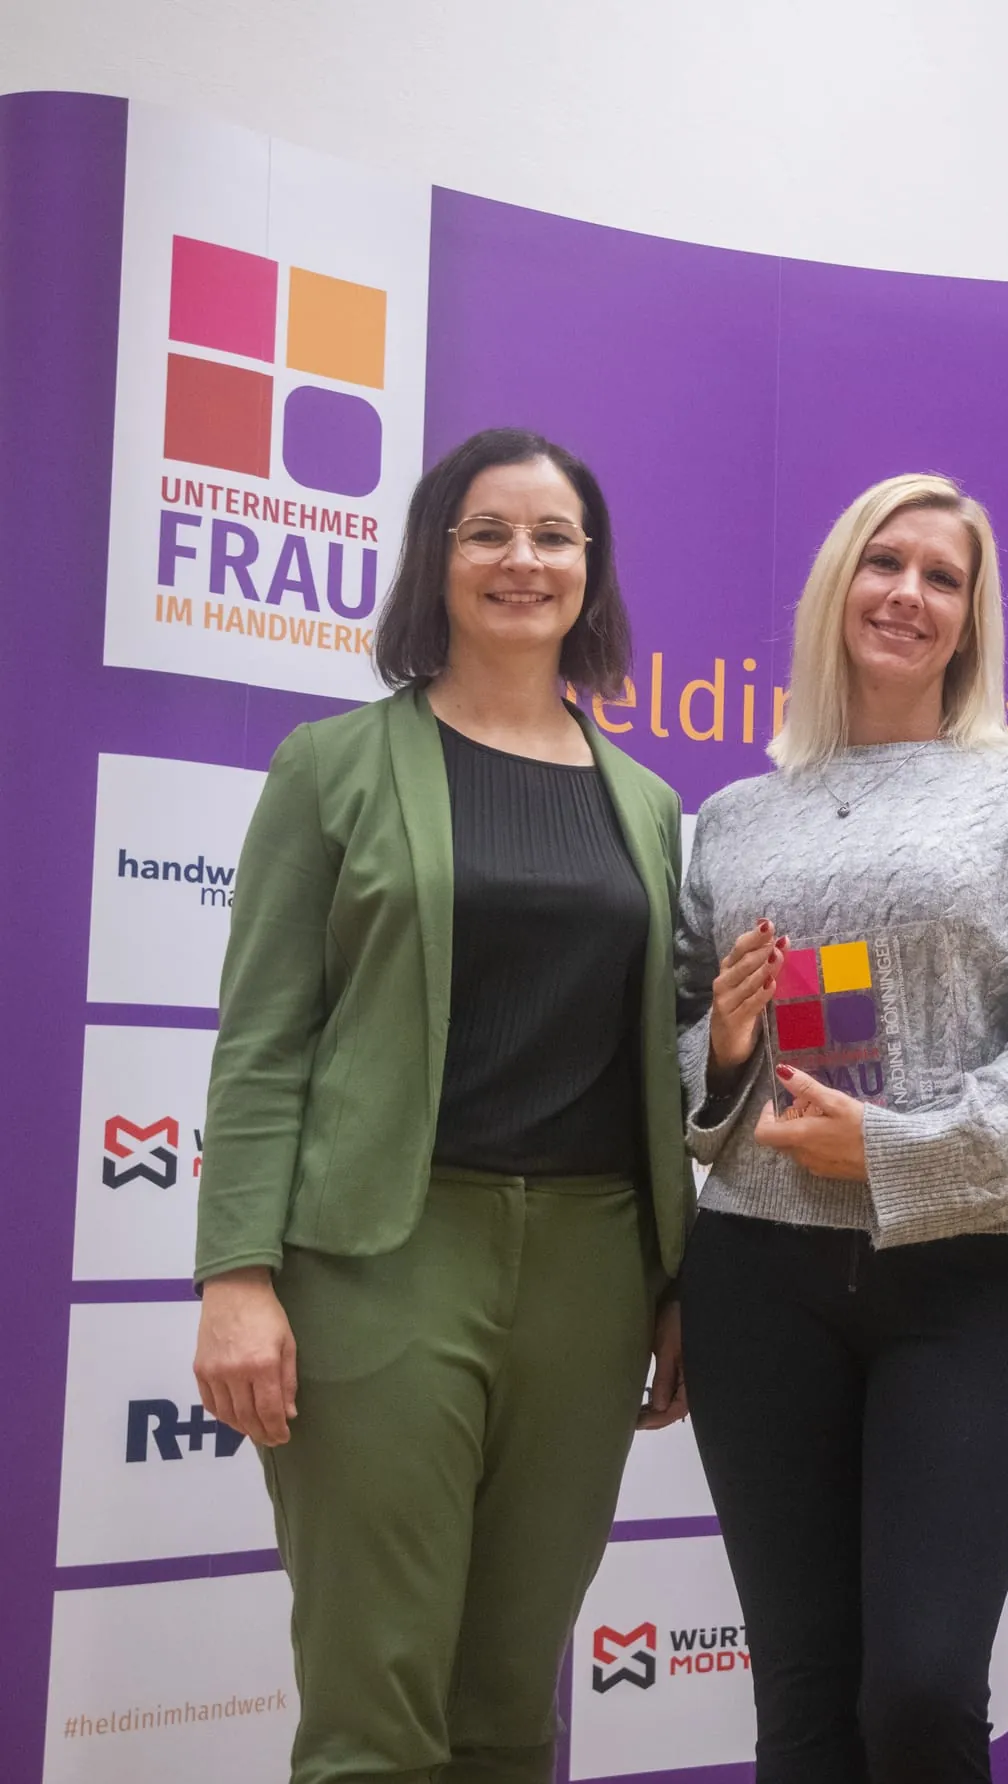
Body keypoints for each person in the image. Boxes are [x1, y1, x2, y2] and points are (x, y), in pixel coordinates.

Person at [191, 427, 693, 1784]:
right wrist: (237, 1271)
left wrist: (674, 1283)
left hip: (593, 1274)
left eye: (554, 536)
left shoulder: (648, 807)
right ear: (437, 559)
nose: (523, 561)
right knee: (376, 1710)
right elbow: (259, 1043)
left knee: (511, 1708)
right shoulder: (333, 768)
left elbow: (662, 1052)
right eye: (490, 533)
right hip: (382, 1262)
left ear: (591, 570)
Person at [676, 472, 1008, 1781]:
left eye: (945, 578)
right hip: (757, 1285)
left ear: (971, 620)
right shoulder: (732, 819)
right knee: (806, 1708)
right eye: (886, 563)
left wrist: (895, 1154)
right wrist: (721, 1052)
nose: (910, 594)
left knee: (926, 1693)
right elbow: (668, 1060)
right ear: (838, 586)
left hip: (968, 1278)